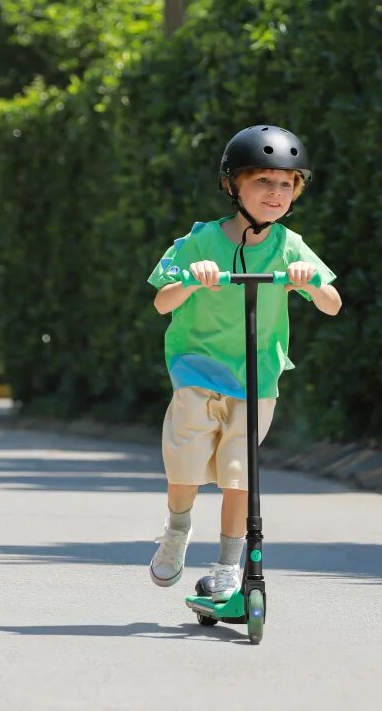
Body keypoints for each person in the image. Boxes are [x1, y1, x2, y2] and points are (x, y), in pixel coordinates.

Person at [145, 125, 341, 602]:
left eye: (285, 184)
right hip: (197, 369)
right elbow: (163, 302)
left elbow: (332, 303)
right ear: (234, 185)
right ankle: (177, 528)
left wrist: (309, 282)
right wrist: (194, 279)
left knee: (239, 473)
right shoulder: (198, 241)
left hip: (257, 377)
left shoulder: (291, 245)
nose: (275, 194)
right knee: (186, 463)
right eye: (263, 182)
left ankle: (230, 567)